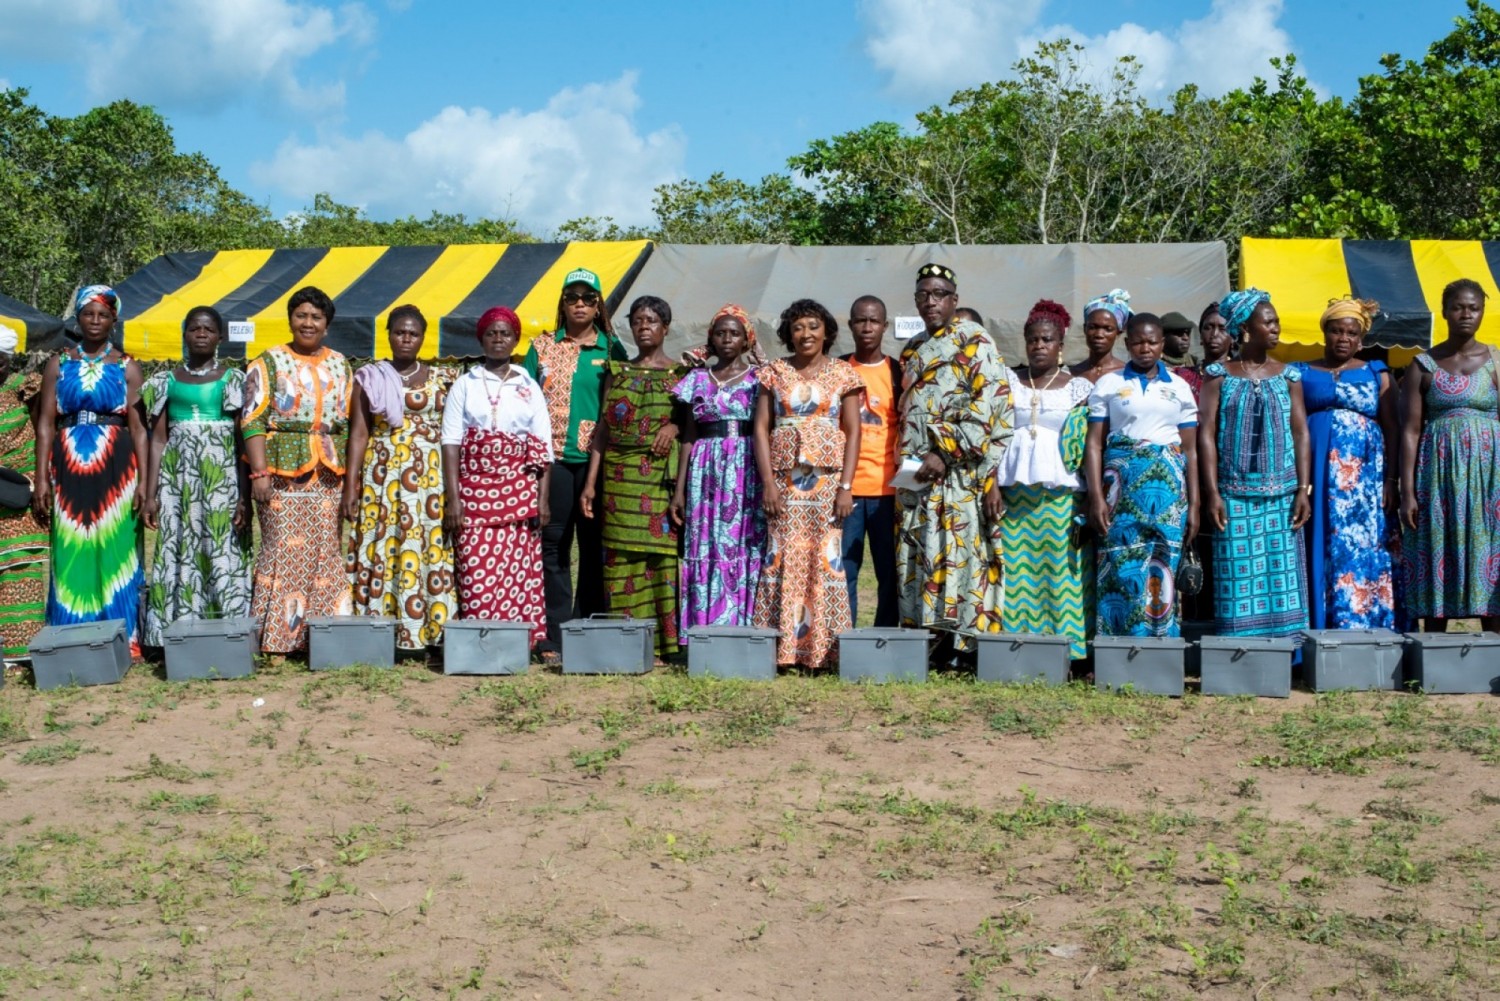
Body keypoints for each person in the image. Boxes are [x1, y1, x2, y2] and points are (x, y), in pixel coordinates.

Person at [897, 264, 1010, 660]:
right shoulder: (912, 349)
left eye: (939, 294)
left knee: (959, 554)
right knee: (919, 553)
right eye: (923, 295)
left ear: (954, 300)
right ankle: (926, 639)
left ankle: (962, 644)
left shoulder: (975, 340)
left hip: (959, 474)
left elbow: (990, 406)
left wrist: (944, 452)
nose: (931, 302)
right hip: (915, 475)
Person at [241, 286, 354, 654]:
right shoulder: (267, 362)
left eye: (316, 317)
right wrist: (259, 473)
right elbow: (252, 420)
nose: (308, 323)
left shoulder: (340, 363)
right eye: (301, 315)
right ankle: (277, 639)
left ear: (326, 325)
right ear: (290, 320)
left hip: (328, 473)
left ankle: (321, 639)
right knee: (281, 549)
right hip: (280, 472)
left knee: (325, 550)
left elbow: (347, 422)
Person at [33, 285, 146, 650]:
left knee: (117, 545)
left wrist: (145, 483)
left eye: (103, 315)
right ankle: (72, 635)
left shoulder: (128, 366)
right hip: (67, 463)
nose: (95, 320)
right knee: (71, 545)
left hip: (117, 465)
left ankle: (124, 637)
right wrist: (40, 478)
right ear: (77, 318)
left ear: (114, 320)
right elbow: (45, 424)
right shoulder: (59, 364)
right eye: (88, 314)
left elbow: (139, 429)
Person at [752, 299, 863, 669]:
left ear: (827, 331)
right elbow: (761, 429)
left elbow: (854, 431)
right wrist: (768, 483)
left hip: (827, 485)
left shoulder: (844, 373)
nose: (806, 334)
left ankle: (823, 652)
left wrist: (846, 487)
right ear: (788, 333)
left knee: (825, 559)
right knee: (781, 556)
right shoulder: (773, 372)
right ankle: (782, 650)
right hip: (784, 484)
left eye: (813, 326)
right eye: (798, 327)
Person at [521, 268, 627, 655]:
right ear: (562, 304)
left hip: (595, 460)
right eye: (572, 298)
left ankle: (588, 629)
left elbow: (622, 404)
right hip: (552, 462)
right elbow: (523, 399)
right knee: (553, 545)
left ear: (599, 306)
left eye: (588, 298)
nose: (580, 304)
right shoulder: (542, 346)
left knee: (594, 544)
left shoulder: (611, 349)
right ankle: (555, 631)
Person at [1198, 289, 1311, 642]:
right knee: (1237, 576)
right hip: (1233, 495)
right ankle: (1239, 654)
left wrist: (1302, 490)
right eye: (1269, 322)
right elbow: (1206, 435)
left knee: (1281, 577)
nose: (1276, 328)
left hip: (1281, 496)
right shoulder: (1219, 376)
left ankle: (1286, 654)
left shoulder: (1289, 376)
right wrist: (1212, 493)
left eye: (1277, 321)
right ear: (1246, 328)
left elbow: (1301, 433)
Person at [343, 305, 454, 654]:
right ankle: (380, 628)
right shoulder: (369, 377)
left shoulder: (443, 377)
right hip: (383, 476)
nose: (406, 338)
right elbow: (358, 434)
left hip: (428, 479)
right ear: (388, 335)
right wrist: (350, 484)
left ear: (422, 338)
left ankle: (429, 630)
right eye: (399, 332)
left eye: (413, 333)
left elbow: (452, 432)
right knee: (383, 544)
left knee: (425, 545)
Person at [140, 307, 252, 648]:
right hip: (178, 482)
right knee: (179, 545)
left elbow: (242, 441)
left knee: (221, 545)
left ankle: (230, 630)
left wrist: (244, 495)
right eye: (194, 328)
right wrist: (150, 494)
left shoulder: (233, 380)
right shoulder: (165, 381)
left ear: (220, 337)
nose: (201, 334)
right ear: (185, 334)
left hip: (221, 480)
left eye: (208, 329)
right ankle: (177, 631)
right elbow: (157, 440)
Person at [581, 295, 683, 661]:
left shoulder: (681, 375)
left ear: (665, 328)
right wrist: (591, 484)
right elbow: (602, 431)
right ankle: (626, 641)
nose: (643, 327)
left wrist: (673, 426)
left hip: (658, 477)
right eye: (637, 321)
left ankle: (665, 646)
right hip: (619, 478)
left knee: (659, 558)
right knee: (620, 557)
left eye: (651, 321)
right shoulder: (617, 371)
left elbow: (692, 424)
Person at [442, 307, 552, 646]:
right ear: (481, 340)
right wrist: (454, 499)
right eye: (492, 333)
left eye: (505, 333)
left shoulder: (528, 385)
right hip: (473, 492)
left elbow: (542, 445)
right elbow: (450, 442)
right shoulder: (465, 384)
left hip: (519, 490)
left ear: (516, 340)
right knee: (475, 569)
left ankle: (515, 643)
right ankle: (480, 643)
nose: (499, 339)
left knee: (516, 568)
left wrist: (542, 500)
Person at [1085, 312, 1199, 637]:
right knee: (1120, 563)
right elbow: (1094, 444)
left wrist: (1195, 503)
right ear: (1127, 343)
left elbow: (1190, 450)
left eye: (1152, 342)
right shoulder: (1110, 384)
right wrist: (1096, 496)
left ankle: (1161, 647)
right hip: (1120, 491)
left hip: (1169, 493)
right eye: (1137, 342)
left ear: (1162, 344)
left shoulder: (1179, 387)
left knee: (1163, 564)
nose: (1145, 348)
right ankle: (1117, 646)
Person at [1291, 297, 1398, 632]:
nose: (1343, 338)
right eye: (1336, 331)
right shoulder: (1300, 372)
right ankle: (1319, 625)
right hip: (1317, 473)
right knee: (1319, 540)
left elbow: (1393, 428)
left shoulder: (1376, 372)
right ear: (1325, 333)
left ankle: (1363, 622)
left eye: (1351, 333)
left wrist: (1391, 480)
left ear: (1360, 339)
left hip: (1364, 480)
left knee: (1362, 544)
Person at [1400, 278, 1500, 628]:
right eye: (1458, 307)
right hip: (1438, 478)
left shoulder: (1496, 362)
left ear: (1483, 312)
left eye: (1474, 308)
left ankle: (1494, 648)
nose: (1466, 314)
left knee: (1492, 554)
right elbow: (1410, 431)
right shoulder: (1423, 365)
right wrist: (1407, 492)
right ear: (1444, 312)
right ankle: (1433, 647)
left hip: (1490, 479)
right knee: (1436, 549)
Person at [996, 300, 1093, 657]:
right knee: (1018, 571)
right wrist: (991, 485)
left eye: (1047, 340)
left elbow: (1085, 443)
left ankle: (1069, 650)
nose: (1039, 345)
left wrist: (1091, 496)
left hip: (1061, 494)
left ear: (1060, 345)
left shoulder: (1077, 388)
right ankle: (1017, 647)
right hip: (1014, 493)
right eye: (1033, 340)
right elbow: (994, 435)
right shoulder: (1008, 382)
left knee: (1061, 570)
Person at [670, 305, 766, 633]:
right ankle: (704, 629)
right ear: (711, 338)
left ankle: (744, 628)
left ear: (746, 340)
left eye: (734, 333)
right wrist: (680, 489)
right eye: (720, 333)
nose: (727, 339)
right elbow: (688, 436)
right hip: (705, 467)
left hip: (746, 466)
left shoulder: (759, 379)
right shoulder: (696, 379)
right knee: (706, 541)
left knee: (742, 542)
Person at [838, 295, 900, 627]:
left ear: (885, 326)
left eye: (874, 320)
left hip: (887, 491)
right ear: (850, 325)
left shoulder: (897, 372)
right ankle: (843, 638)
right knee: (844, 569)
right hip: (845, 491)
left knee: (889, 572)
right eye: (860, 320)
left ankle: (884, 637)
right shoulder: (836, 369)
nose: (867, 327)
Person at [0, 324, 48, 659]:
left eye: (0, 361)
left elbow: (44, 430)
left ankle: (23, 653)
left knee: (21, 568)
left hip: (20, 488)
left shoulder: (25, 387)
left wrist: (41, 480)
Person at [1070, 290, 1130, 384]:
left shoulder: (1126, 374)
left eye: (1108, 329)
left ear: (1118, 333)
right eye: (1093, 327)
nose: (1099, 334)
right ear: (1085, 329)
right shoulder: (1071, 374)